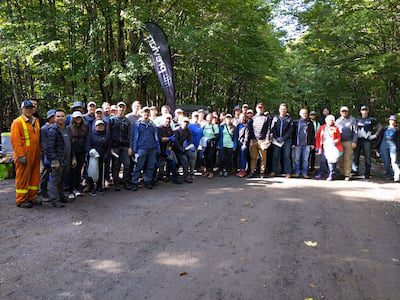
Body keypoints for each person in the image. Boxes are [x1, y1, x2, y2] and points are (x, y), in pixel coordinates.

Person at [10, 100, 41, 208]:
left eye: (30, 108)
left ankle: (31, 197)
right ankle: (21, 199)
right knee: (23, 177)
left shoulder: (35, 121)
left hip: (35, 153)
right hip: (24, 154)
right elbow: (15, 140)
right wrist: (20, 156)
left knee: (34, 175)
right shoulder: (17, 122)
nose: (28, 110)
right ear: (22, 109)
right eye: (26, 108)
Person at [47, 109, 75, 208]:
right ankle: (55, 200)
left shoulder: (67, 129)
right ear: (54, 118)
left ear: (65, 117)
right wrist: (54, 160)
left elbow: (70, 145)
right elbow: (50, 147)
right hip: (58, 160)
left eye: (62, 116)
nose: (60, 118)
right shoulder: (52, 130)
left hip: (66, 160)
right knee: (55, 180)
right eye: (58, 116)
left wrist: (73, 158)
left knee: (62, 180)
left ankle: (62, 196)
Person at [130, 107, 160, 191]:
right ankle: (134, 182)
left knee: (151, 166)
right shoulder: (137, 124)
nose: (146, 114)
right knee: (138, 166)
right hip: (141, 148)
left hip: (152, 148)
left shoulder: (152, 124)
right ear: (141, 113)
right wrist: (134, 150)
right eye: (144, 112)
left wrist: (158, 148)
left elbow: (156, 137)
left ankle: (148, 181)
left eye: (147, 112)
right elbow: (134, 137)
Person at [352, 105, 383, 179]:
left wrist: (375, 135)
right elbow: (352, 127)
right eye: (363, 110)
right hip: (358, 140)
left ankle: (367, 173)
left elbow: (380, 126)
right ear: (360, 111)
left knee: (367, 157)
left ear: (368, 111)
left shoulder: (371, 119)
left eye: (366, 110)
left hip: (367, 141)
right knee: (356, 156)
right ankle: (355, 171)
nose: (364, 112)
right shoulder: (357, 119)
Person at [109, 101, 132, 190]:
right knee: (116, 165)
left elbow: (130, 135)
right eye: (120, 107)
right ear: (117, 109)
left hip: (125, 146)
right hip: (115, 147)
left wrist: (130, 147)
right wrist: (110, 147)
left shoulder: (127, 121)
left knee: (127, 164)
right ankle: (116, 184)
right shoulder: (112, 120)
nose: (121, 109)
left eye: (123, 108)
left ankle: (126, 183)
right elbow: (109, 134)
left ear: (125, 109)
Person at [246, 103, 271, 178]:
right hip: (254, 140)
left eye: (261, 107)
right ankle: (252, 171)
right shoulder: (252, 118)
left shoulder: (266, 118)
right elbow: (249, 130)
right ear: (256, 109)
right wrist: (250, 140)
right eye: (258, 107)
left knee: (263, 158)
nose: (260, 109)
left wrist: (267, 140)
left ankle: (262, 172)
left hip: (262, 140)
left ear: (263, 109)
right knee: (253, 158)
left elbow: (268, 130)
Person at [315, 115, 343, 181]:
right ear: (326, 120)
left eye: (332, 120)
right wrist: (317, 146)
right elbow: (318, 137)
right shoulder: (322, 127)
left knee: (332, 161)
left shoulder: (336, 128)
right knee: (323, 160)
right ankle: (321, 173)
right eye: (329, 120)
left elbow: (339, 137)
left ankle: (331, 174)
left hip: (333, 146)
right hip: (324, 146)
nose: (330, 121)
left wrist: (336, 141)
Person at [67, 111, 88, 199]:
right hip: (73, 153)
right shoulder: (69, 128)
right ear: (73, 118)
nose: (78, 119)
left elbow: (86, 140)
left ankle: (77, 188)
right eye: (76, 117)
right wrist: (73, 156)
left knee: (79, 171)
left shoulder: (84, 127)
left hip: (81, 152)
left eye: (79, 117)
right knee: (72, 172)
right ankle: (71, 190)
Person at [86, 119, 110, 195]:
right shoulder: (91, 135)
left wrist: (106, 154)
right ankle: (92, 187)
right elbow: (87, 145)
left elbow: (108, 147)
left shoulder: (106, 135)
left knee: (100, 172)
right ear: (95, 127)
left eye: (102, 125)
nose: (100, 127)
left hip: (102, 156)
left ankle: (99, 187)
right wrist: (91, 152)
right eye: (98, 125)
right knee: (92, 172)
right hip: (92, 157)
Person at [157, 114, 183, 184]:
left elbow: (172, 140)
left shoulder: (170, 128)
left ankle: (173, 177)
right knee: (158, 165)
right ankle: (158, 177)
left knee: (173, 162)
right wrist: (169, 139)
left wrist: (169, 148)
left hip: (167, 149)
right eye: (166, 119)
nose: (168, 120)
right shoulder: (159, 128)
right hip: (159, 150)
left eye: (169, 119)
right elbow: (160, 139)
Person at [271, 103, 293, 178]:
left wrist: (283, 138)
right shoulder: (275, 118)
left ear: (286, 110)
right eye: (281, 109)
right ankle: (275, 171)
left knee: (287, 156)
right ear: (279, 109)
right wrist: (276, 137)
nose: (282, 110)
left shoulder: (289, 119)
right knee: (275, 156)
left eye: (284, 109)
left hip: (286, 140)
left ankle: (288, 172)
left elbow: (290, 130)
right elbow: (272, 129)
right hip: (276, 139)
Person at [335, 106, 358, 181]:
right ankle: (342, 173)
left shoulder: (352, 120)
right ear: (340, 112)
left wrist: (354, 141)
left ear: (348, 112)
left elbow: (355, 132)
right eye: (342, 111)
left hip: (349, 141)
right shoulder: (338, 121)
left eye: (345, 111)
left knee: (348, 158)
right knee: (340, 159)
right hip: (339, 142)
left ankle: (347, 174)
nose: (344, 112)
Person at [292, 108, 315, 178]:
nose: (304, 115)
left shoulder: (310, 123)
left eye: (305, 113)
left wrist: (312, 143)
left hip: (307, 144)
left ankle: (305, 172)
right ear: (300, 114)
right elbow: (293, 133)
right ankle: (297, 172)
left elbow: (312, 134)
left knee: (305, 159)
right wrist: (293, 143)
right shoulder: (296, 122)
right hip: (298, 144)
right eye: (303, 113)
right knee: (297, 159)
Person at [39, 109, 56, 199]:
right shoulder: (44, 128)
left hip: (55, 154)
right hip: (47, 155)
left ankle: (54, 192)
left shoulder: (57, 127)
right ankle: (43, 191)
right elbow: (43, 143)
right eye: (54, 116)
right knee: (46, 173)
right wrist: (47, 154)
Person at [379, 115, 400, 182]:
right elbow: (379, 138)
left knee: (394, 161)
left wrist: (398, 148)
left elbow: (398, 140)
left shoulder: (397, 130)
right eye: (390, 120)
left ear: (395, 121)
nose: (391, 121)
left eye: (393, 120)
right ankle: (390, 175)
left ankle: (397, 176)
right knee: (385, 161)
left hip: (393, 145)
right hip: (384, 144)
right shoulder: (385, 128)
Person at [174, 117, 194, 183]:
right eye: (184, 122)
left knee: (187, 159)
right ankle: (174, 176)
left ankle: (186, 176)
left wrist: (188, 148)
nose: (185, 124)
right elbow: (175, 142)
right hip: (174, 149)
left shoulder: (188, 131)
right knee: (177, 162)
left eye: (187, 122)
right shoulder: (176, 130)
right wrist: (181, 149)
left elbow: (190, 141)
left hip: (182, 149)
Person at [202, 113, 220, 179]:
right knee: (205, 157)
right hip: (205, 144)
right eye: (208, 118)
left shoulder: (214, 126)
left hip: (212, 144)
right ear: (206, 118)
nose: (209, 119)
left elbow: (217, 136)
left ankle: (211, 172)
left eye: (210, 118)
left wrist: (210, 139)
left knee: (210, 157)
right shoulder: (204, 126)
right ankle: (207, 170)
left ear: (212, 119)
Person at [188, 111, 203, 178]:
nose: (196, 117)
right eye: (195, 116)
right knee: (192, 158)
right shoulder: (189, 125)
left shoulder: (199, 125)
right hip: (190, 145)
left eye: (197, 116)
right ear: (192, 117)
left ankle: (191, 171)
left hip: (198, 145)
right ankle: (190, 172)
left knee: (195, 159)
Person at [235, 113, 248, 177]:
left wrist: (244, 144)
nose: (242, 118)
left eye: (243, 117)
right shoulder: (238, 125)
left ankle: (243, 170)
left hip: (243, 144)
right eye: (241, 117)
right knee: (239, 157)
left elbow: (247, 136)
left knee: (243, 157)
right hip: (238, 143)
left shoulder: (246, 125)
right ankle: (240, 170)